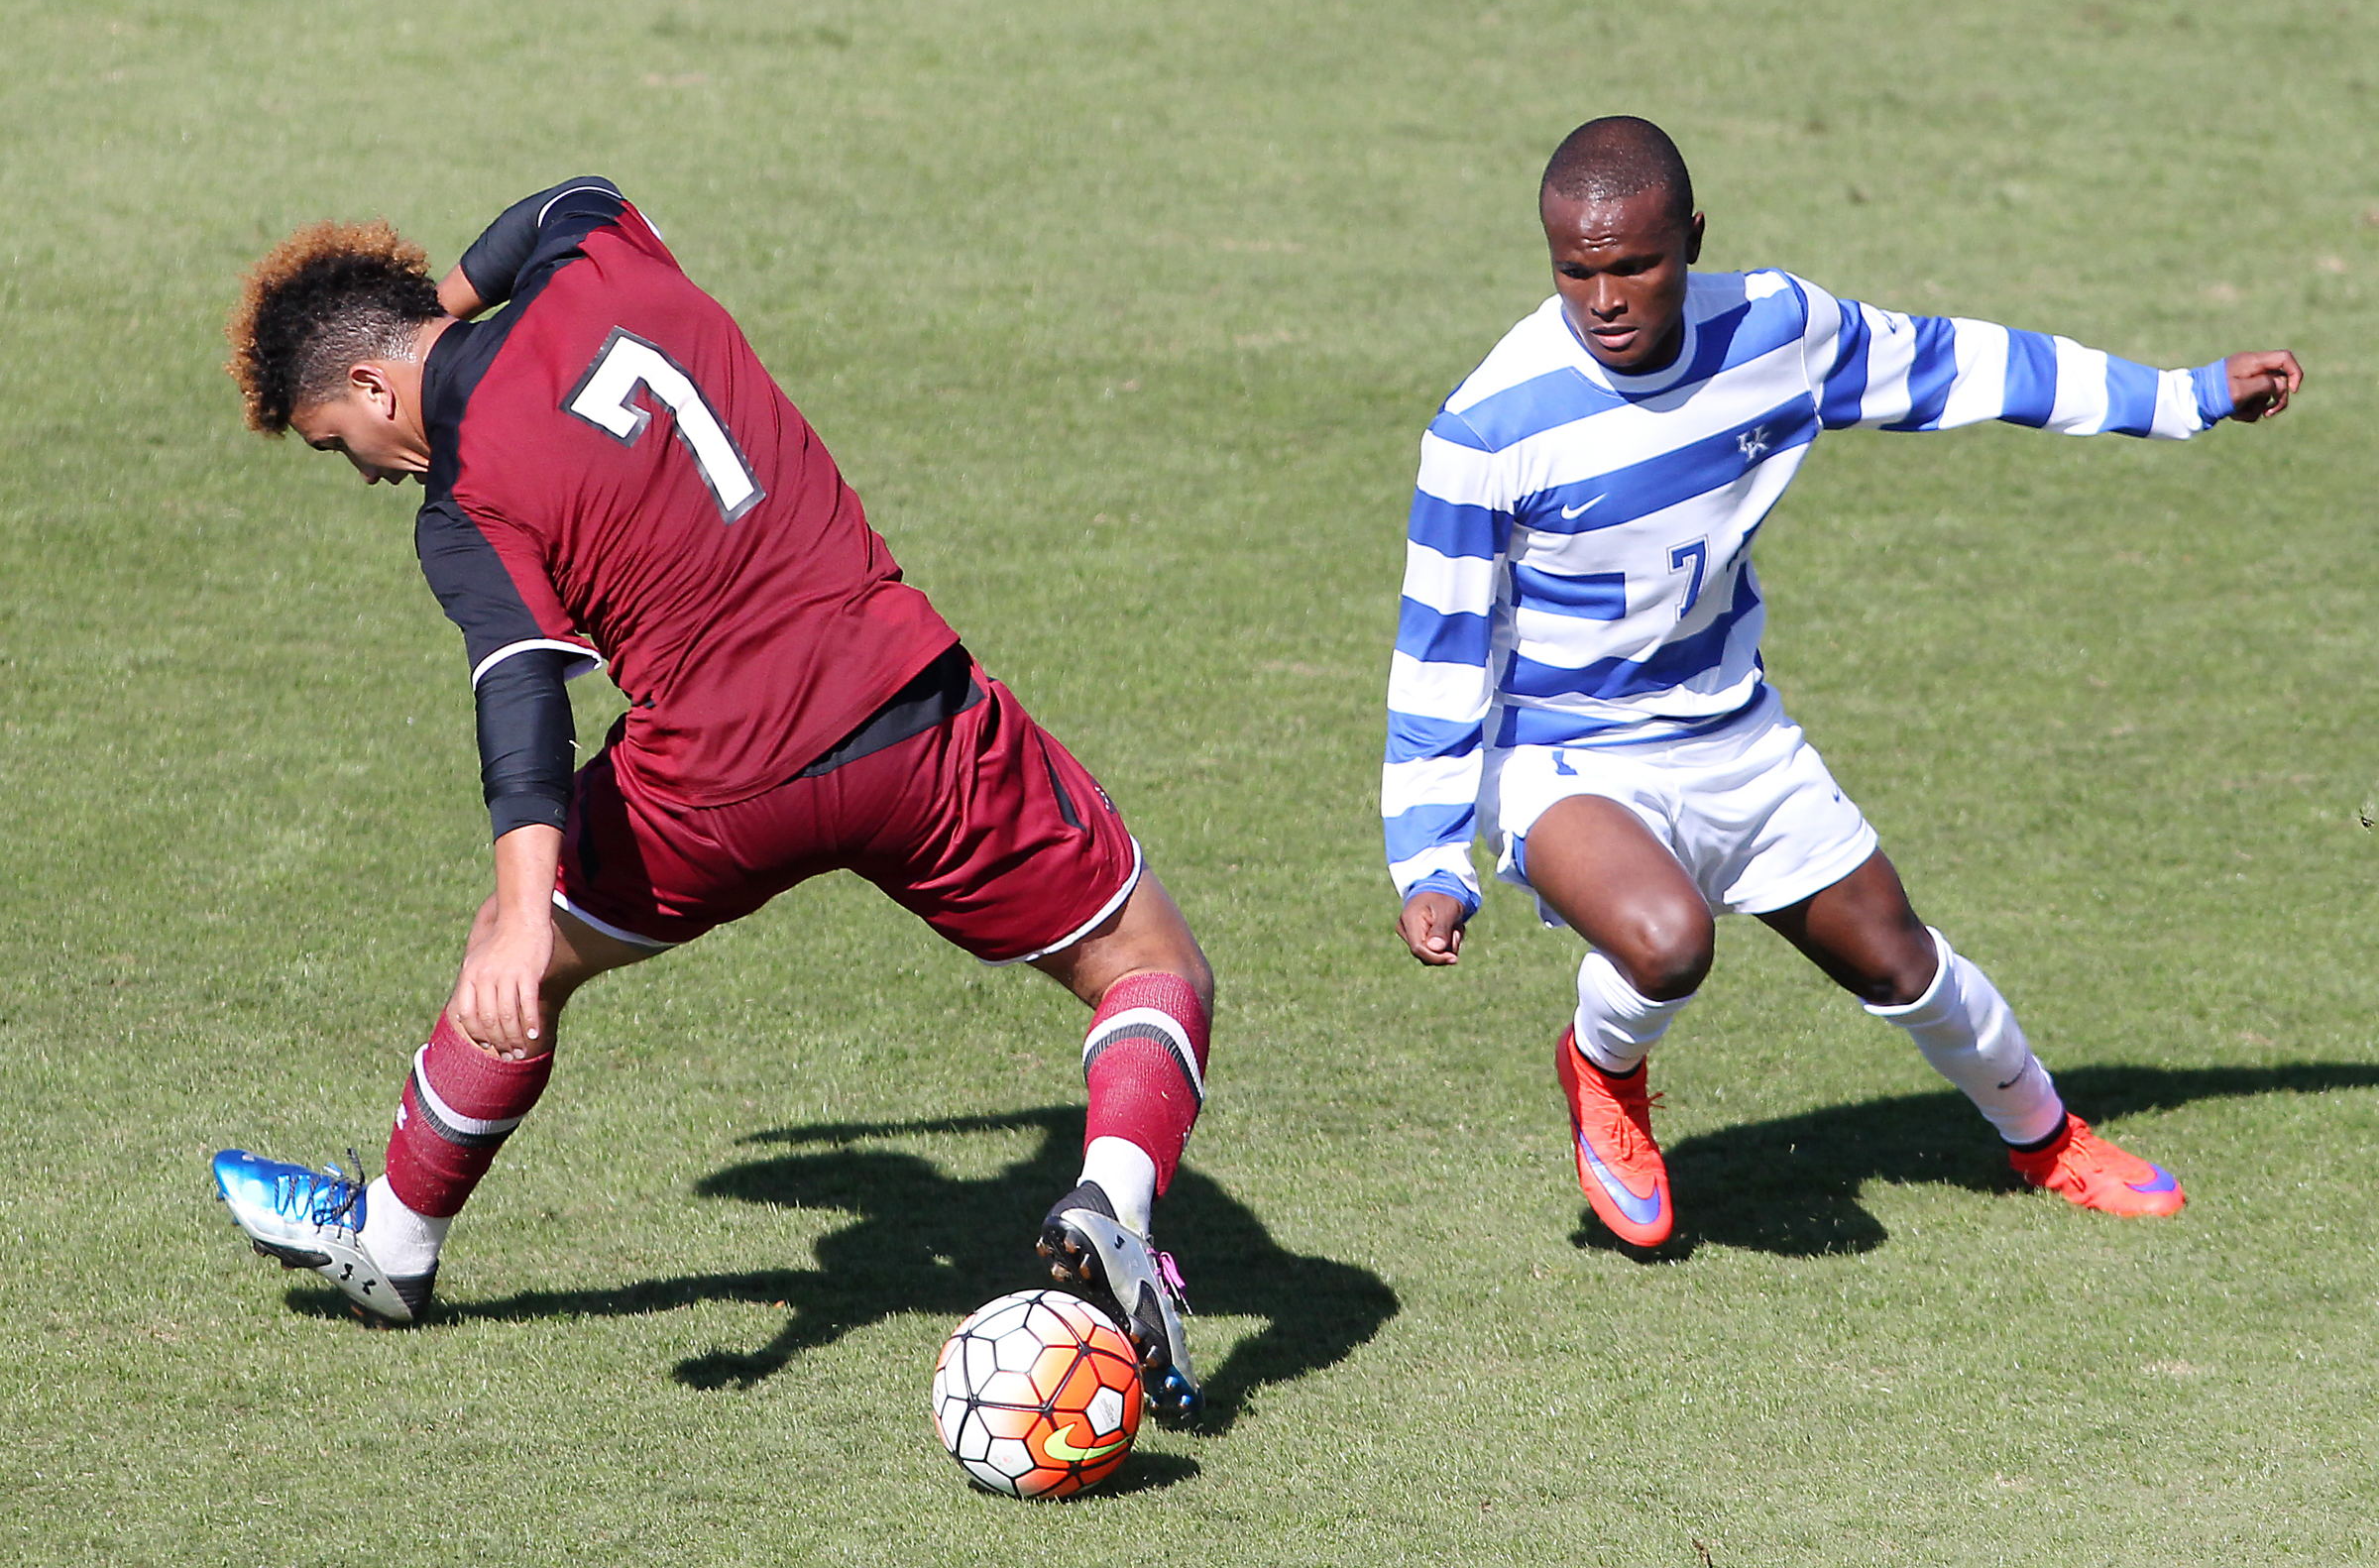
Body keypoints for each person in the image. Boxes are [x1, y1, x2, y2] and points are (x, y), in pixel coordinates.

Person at [211, 179, 1210, 1414]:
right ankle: (1113, 1193)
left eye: (334, 443)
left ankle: (396, 1247)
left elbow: (522, 695)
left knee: (509, 955)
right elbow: (565, 198)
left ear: (370, 390)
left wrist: (525, 915)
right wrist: (442, 311)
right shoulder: (607, 265)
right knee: (1147, 962)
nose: (358, 472)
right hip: (910, 714)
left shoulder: (459, 504)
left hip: (716, 793)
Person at [1385, 117, 2301, 1249]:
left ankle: (2046, 1135)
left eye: (1636, 264)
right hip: (1570, 758)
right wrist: (1429, 857)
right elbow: (1440, 643)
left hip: (1736, 734)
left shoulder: (1776, 331)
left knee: (1903, 959)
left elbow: (1959, 363)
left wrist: (2183, 394)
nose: (1605, 297)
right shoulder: (1487, 427)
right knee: (1669, 940)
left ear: (1693, 241)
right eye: (1577, 269)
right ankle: (1600, 1066)